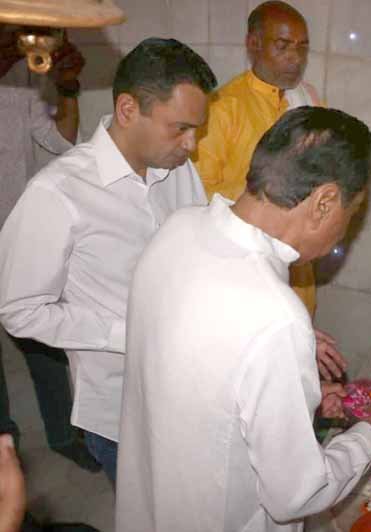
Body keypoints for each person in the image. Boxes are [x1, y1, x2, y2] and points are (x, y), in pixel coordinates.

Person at [115, 106, 371, 532]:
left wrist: (297, 397)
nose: (344, 232)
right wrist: (368, 437)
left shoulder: (177, 228)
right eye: (350, 214)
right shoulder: (277, 316)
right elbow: (296, 495)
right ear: (324, 203)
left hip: (151, 503)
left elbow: (203, 368)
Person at [0, 38, 216, 485]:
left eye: (196, 129)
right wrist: (125, 333)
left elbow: (200, 251)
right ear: (127, 109)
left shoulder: (179, 170)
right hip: (120, 412)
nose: (192, 145)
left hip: (188, 388)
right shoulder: (58, 193)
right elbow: (18, 310)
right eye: (180, 128)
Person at [192, 1, 344, 381]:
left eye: (302, 47)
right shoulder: (223, 108)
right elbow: (199, 197)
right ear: (253, 43)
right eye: (283, 46)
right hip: (243, 272)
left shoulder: (308, 101)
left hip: (297, 268)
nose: (295, 58)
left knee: (294, 368)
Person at [0, 24, 99, 472]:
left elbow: (60, 139)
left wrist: (67, 86)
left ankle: (62, 434)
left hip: (13, 229)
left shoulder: (20, 72)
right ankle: (6, 444)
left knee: (41, 341)